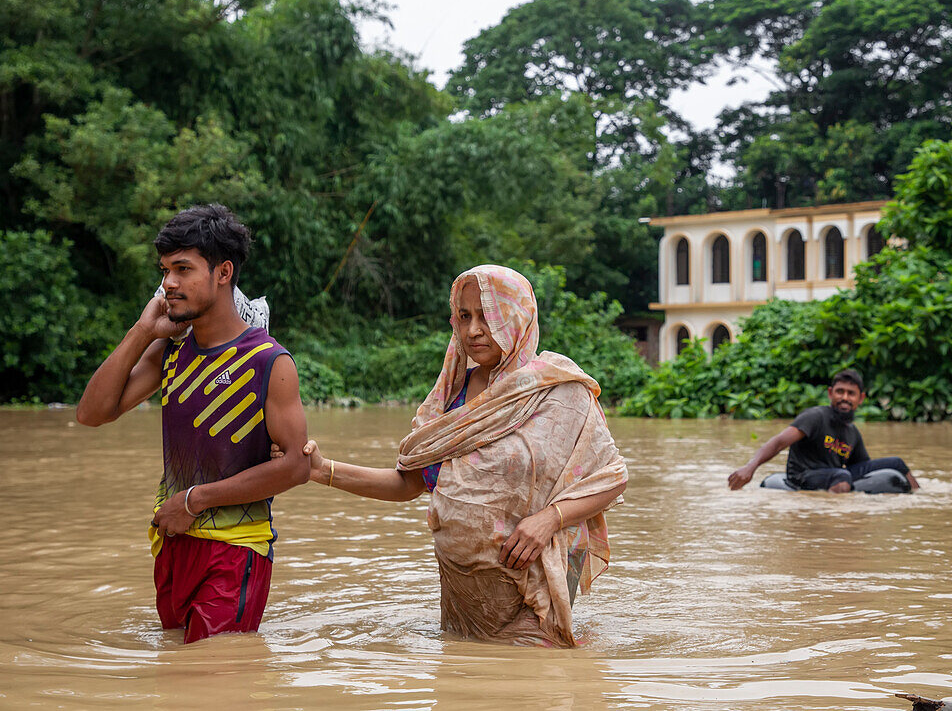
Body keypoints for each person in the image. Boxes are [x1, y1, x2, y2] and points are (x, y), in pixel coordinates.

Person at [299, 265, 627, 647]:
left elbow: (611, 477)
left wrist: (548, 520)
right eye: (465, 316)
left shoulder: (558, 392)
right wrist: (322, 471)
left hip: (527, 596)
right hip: (461, 597)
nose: (473, 330)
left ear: (517, 316)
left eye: (488, 317)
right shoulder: (452, 395)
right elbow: (409, 483)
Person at [76, 204, 309, 643]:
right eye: (165, 269)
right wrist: (142, 332)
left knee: (210, 677)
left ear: (223, 273)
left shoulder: (269, 362)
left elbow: (295, 466)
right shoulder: (170, 350)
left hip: (236, 547)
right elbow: (91, 414)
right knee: (177, 676)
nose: (168, 283)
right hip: (172, 541)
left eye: (183, 268)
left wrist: (192, 501)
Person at [727, 369, 920, 493]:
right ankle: (834, 526)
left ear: (860, 399)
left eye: (850, 394)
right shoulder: (815, 417)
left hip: (833, 474)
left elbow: (863, 468)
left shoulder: (852, 433)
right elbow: (778, 442)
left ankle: (919, 500)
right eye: (840, 392)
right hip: (803, 476)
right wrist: (749, 467)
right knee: (841, 475)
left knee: (897, 462)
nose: (844, 397)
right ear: (830, 393)